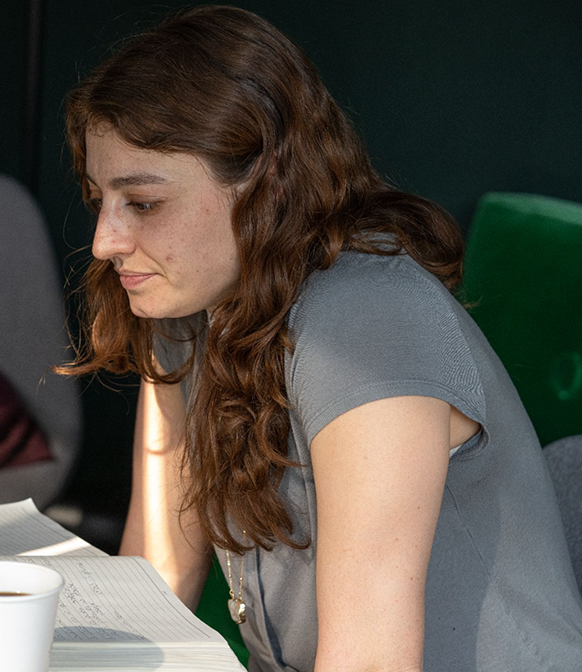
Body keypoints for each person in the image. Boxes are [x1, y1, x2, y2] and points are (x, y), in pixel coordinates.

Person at [56, 5, 582, 671]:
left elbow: (369, 661)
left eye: (143, 203)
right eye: (97, 197)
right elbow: (153, 581)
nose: (105, 241)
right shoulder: (185, 306)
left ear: (264, 185)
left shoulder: (368, 326)